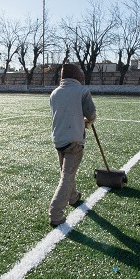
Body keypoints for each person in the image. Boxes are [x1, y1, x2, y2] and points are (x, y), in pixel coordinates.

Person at [48, 63, 96, 227]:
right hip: (74, 140)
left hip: (58, 139)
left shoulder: (54, 93)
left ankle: (73, 197)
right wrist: (87, 121)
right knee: (67, 176)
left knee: (66, 171)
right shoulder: (82, 91)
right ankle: (55, 213)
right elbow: (90, 114)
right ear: (77, 76)